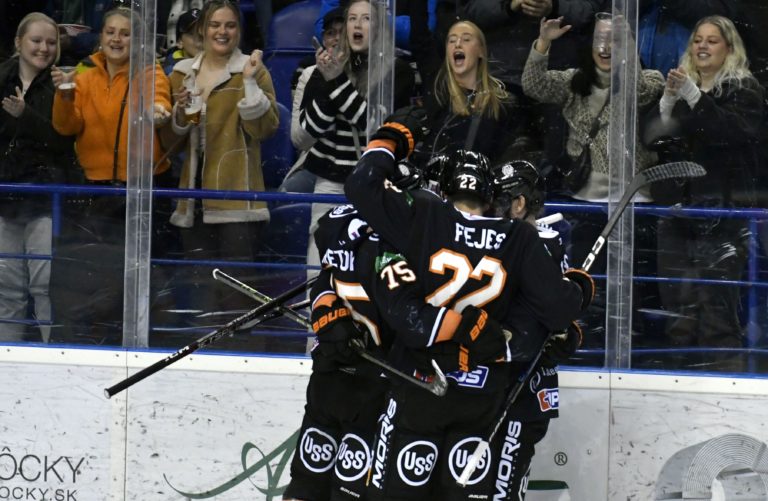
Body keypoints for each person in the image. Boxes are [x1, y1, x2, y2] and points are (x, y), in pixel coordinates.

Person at [344, 114, 592, 498]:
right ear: (491, 199)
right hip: (482, 396)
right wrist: (578, 287)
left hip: (420, 382)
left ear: (444, 191)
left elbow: (361, 184)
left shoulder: (425, 214)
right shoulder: (518, 237)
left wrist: (389, 140)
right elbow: (558, 311)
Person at [283, 200, 511, 501]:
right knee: (312, 485)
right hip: (345, 378)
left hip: (367, 382)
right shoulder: (407, 236)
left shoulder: (359, 227)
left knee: (334, 488)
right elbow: (328, 281)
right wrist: (327, 315)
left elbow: (333, 279)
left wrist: (326, 313)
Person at [643, 15, 764, 372]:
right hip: (679, 213)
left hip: (725, 215)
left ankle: (723, 390)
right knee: (677, 310)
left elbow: (727, 134)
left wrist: (694, 97)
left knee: (716, 311)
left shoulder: (745, 89)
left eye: (712, 40)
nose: (702, 46)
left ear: (729, 48)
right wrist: (666, 101)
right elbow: (652, 139)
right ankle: (676, 380)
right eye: (697, 39)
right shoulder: (684, 92)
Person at [50, 5, 172, 344]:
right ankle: (97, 341)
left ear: (137, 40)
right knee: (99, 274)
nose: (117, 39)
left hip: (143, 188)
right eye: (110, 32)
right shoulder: (84, 74)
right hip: (97, 191)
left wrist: (158, 111)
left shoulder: (151, 72)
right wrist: (65, 95)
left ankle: (138, 342)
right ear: (100, 36)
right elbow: (66, 126)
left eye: (125, 33)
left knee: (138, 275)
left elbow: (159, 101)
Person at [167, 0, 279, 323]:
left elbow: (266, 129)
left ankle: (242, 360)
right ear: (203, 29)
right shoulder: (181, 73)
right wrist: (177, 114)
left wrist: (248, 82)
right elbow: (171, 143)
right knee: (201, 294)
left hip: (236, 200)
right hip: (193, 200)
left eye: (230, 25)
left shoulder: (254, 69)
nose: (222, 31)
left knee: (237, 298)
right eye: (215, 25)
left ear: (239, 31)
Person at [296, 0, 415, 277]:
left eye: (366, 19)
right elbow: (310, 129)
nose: (357, 25)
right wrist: (330, 80)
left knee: (369, 256)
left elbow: (372, 128)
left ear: (379, 27)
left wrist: (336, 82)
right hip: (330, 179)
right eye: (352, 19)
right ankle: (317, 311)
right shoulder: (323, 69)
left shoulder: (398, 71)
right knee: (320, 256)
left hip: (376, 181)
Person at [0, 12, 76, 342]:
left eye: (51, 42)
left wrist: (25, 117)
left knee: (44, 288)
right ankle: (8, 354)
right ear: (18, 42)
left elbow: (62, 143)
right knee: (8, 288)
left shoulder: (64, 83)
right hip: (5, 200)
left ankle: (51, 355)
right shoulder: (1, 78)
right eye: (36, 40)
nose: (44, 48)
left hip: (45, 201)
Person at [407, 0, 523, 165]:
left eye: (466, 39)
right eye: (451, 40)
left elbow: (509, 155)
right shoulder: (438, 88)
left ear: (482, 50)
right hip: (436, 185)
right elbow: (420, 40)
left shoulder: (503, 103)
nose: (458, 44)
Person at [279, 6, 345, 194]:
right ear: (323, 39)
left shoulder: (368, 70)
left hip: (357, 163)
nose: (336, 39)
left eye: (342, 32)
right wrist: (322, 78)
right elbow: (299, 139)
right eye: (331, 33)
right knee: (288, 192)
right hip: (318, 160)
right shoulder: (308, 74)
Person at [163, 7, 202, 75]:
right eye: (192, 34)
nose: (200, 39)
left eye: (204, 33)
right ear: (179, 42)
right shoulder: (170, 73)